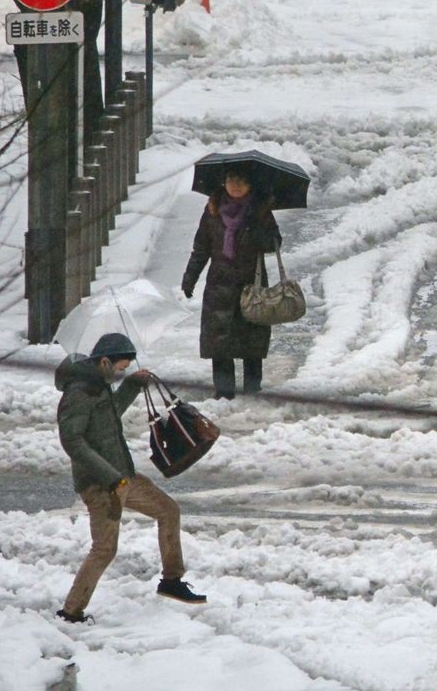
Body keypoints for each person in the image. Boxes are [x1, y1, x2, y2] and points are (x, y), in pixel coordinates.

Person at [56, 332, 205, 621]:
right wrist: (111, 478)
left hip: (123, 477)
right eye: (121, 368)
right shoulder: (79, 393)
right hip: (102, 485)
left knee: (168, 510)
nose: (121, 373)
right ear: (104, 362)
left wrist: (134, 384)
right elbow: (72, 441)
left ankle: (171, 581)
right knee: (104, 550)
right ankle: (71, 611)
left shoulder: (99, 385)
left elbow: (111, 416)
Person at [182, 168, 281, 397]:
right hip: (219, 287)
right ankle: (223, 391)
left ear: (250, 185)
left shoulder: (260, 211)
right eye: (231, 179)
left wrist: (257, 231)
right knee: (219, 341)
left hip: (250, 287)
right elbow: (201, 248)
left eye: (242, 180)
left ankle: (252, 389)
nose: (236, 185)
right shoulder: (212, 211)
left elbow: (275, 242)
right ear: (224, 183)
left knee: (252, 340)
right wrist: (190, 278)